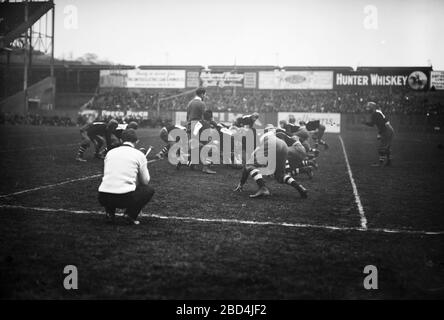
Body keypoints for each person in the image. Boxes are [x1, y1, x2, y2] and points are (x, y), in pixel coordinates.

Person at [233, 125, 308, 199]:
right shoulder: (271, 132)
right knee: (280, 176)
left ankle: (263, 188)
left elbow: (248, 165)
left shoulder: (252, 136)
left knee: (249, 165)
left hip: (271, 142)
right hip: (283, 145)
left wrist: (241, 183)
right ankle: (299, 187)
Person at [98, 129, 155, 225]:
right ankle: (130, 215)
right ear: (136, 141)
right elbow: (145, 181)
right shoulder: (139, 155)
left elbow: (108, 175)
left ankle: (110, 214)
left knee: (111, 181)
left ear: (121, 140)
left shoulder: (110, 153)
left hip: (103, 197)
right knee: (149, 189)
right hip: (123, 198)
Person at [185, 87, 215, 174]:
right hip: (198, 125)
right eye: (205, 94)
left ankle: (192, 163)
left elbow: (187, 116)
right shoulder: (201, 103)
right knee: (206, 144)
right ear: (202, 94)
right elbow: (204, 116)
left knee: (194, 144)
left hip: (190, 125)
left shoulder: (190, 103)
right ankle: (205, 167)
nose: (205, 96)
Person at [361, 101, 395, 166]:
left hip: (386, 130)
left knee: (382, 148)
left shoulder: (375, 114)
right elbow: (379, 123)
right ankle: (389, 162)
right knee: (387, 147)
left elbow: (375, 124)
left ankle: (381, 163)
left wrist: (380, 133)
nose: (367, 109)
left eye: (369, 108)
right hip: (389, 129)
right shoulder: (377, 112)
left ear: (372, 108)